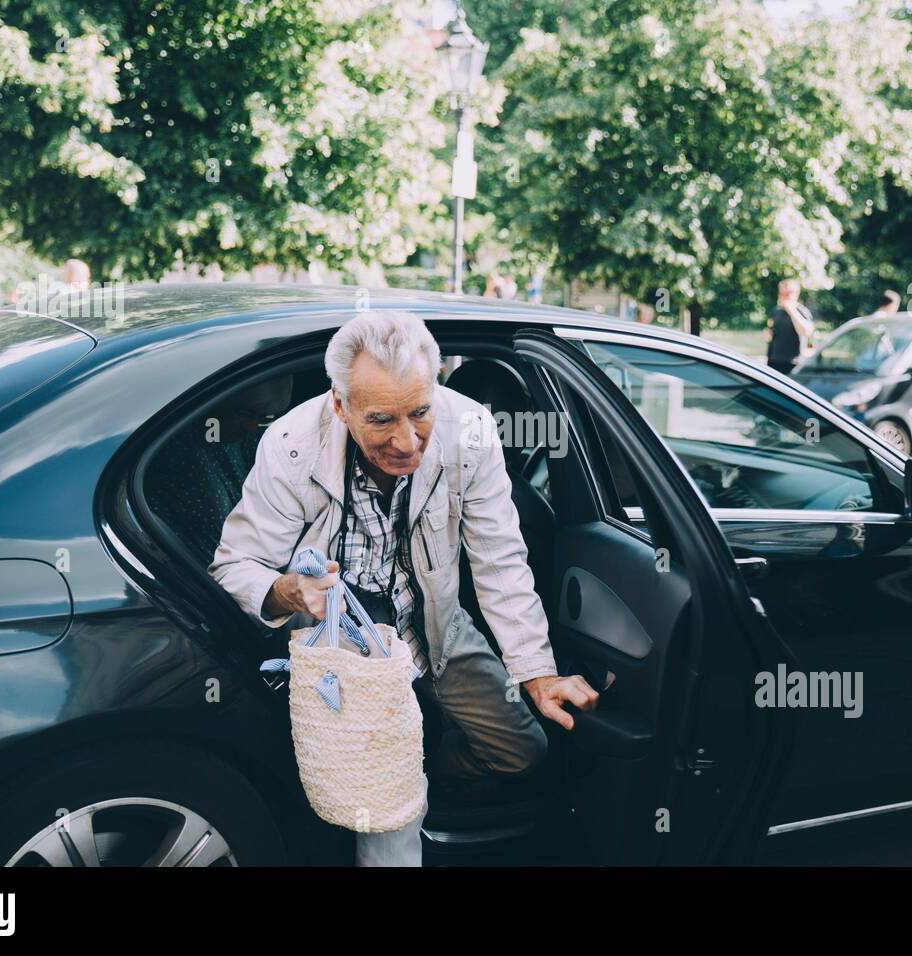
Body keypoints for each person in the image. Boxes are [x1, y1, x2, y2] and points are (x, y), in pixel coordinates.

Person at [210, 311, 598, 866]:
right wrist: (291, 592)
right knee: (386, 822)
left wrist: (536, 671)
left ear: (437, 382)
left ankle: (424, 766)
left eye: (420, 411)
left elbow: (499, 561)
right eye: (381, 419)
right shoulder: (291, 443)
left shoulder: (471, 431)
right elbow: (235, 565)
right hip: (346, 653)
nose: (406, 440)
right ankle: (391, 787)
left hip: (434, 627)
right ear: (341, 407)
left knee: (522, 750)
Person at [145, 376, 293, 566]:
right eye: (244, 413)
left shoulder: (246, 440)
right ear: (219, 402)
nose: (251, 427)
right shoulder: (181, 456)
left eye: (262, 418)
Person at [765, 279, 814, 375]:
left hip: (793, 364)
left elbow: (805, 332)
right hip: (774, 361)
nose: (783, 297)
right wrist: (768, 336)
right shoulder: (776, 311)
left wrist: (791, 309)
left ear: (796, 294)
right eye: (781, 293)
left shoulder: (802, 311)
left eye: (787, 294)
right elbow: (772, 332)